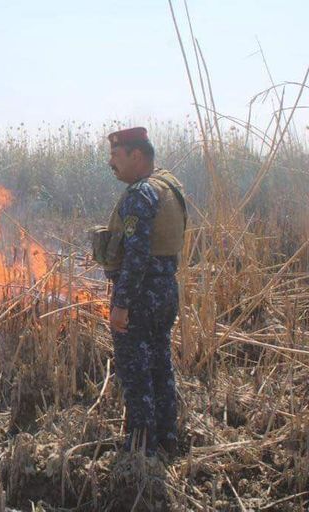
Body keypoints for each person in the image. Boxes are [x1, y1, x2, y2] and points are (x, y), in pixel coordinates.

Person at [93, 126, 187, 457]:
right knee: (160, 363)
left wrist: (121, 304)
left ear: (136, 155)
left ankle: (140, 449)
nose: (110, 163)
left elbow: (136, 254)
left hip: (141, 295)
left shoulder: (140, 194)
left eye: (115, 156)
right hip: (165, 291)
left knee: (135, 371)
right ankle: (167, 438)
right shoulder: (168, 186)